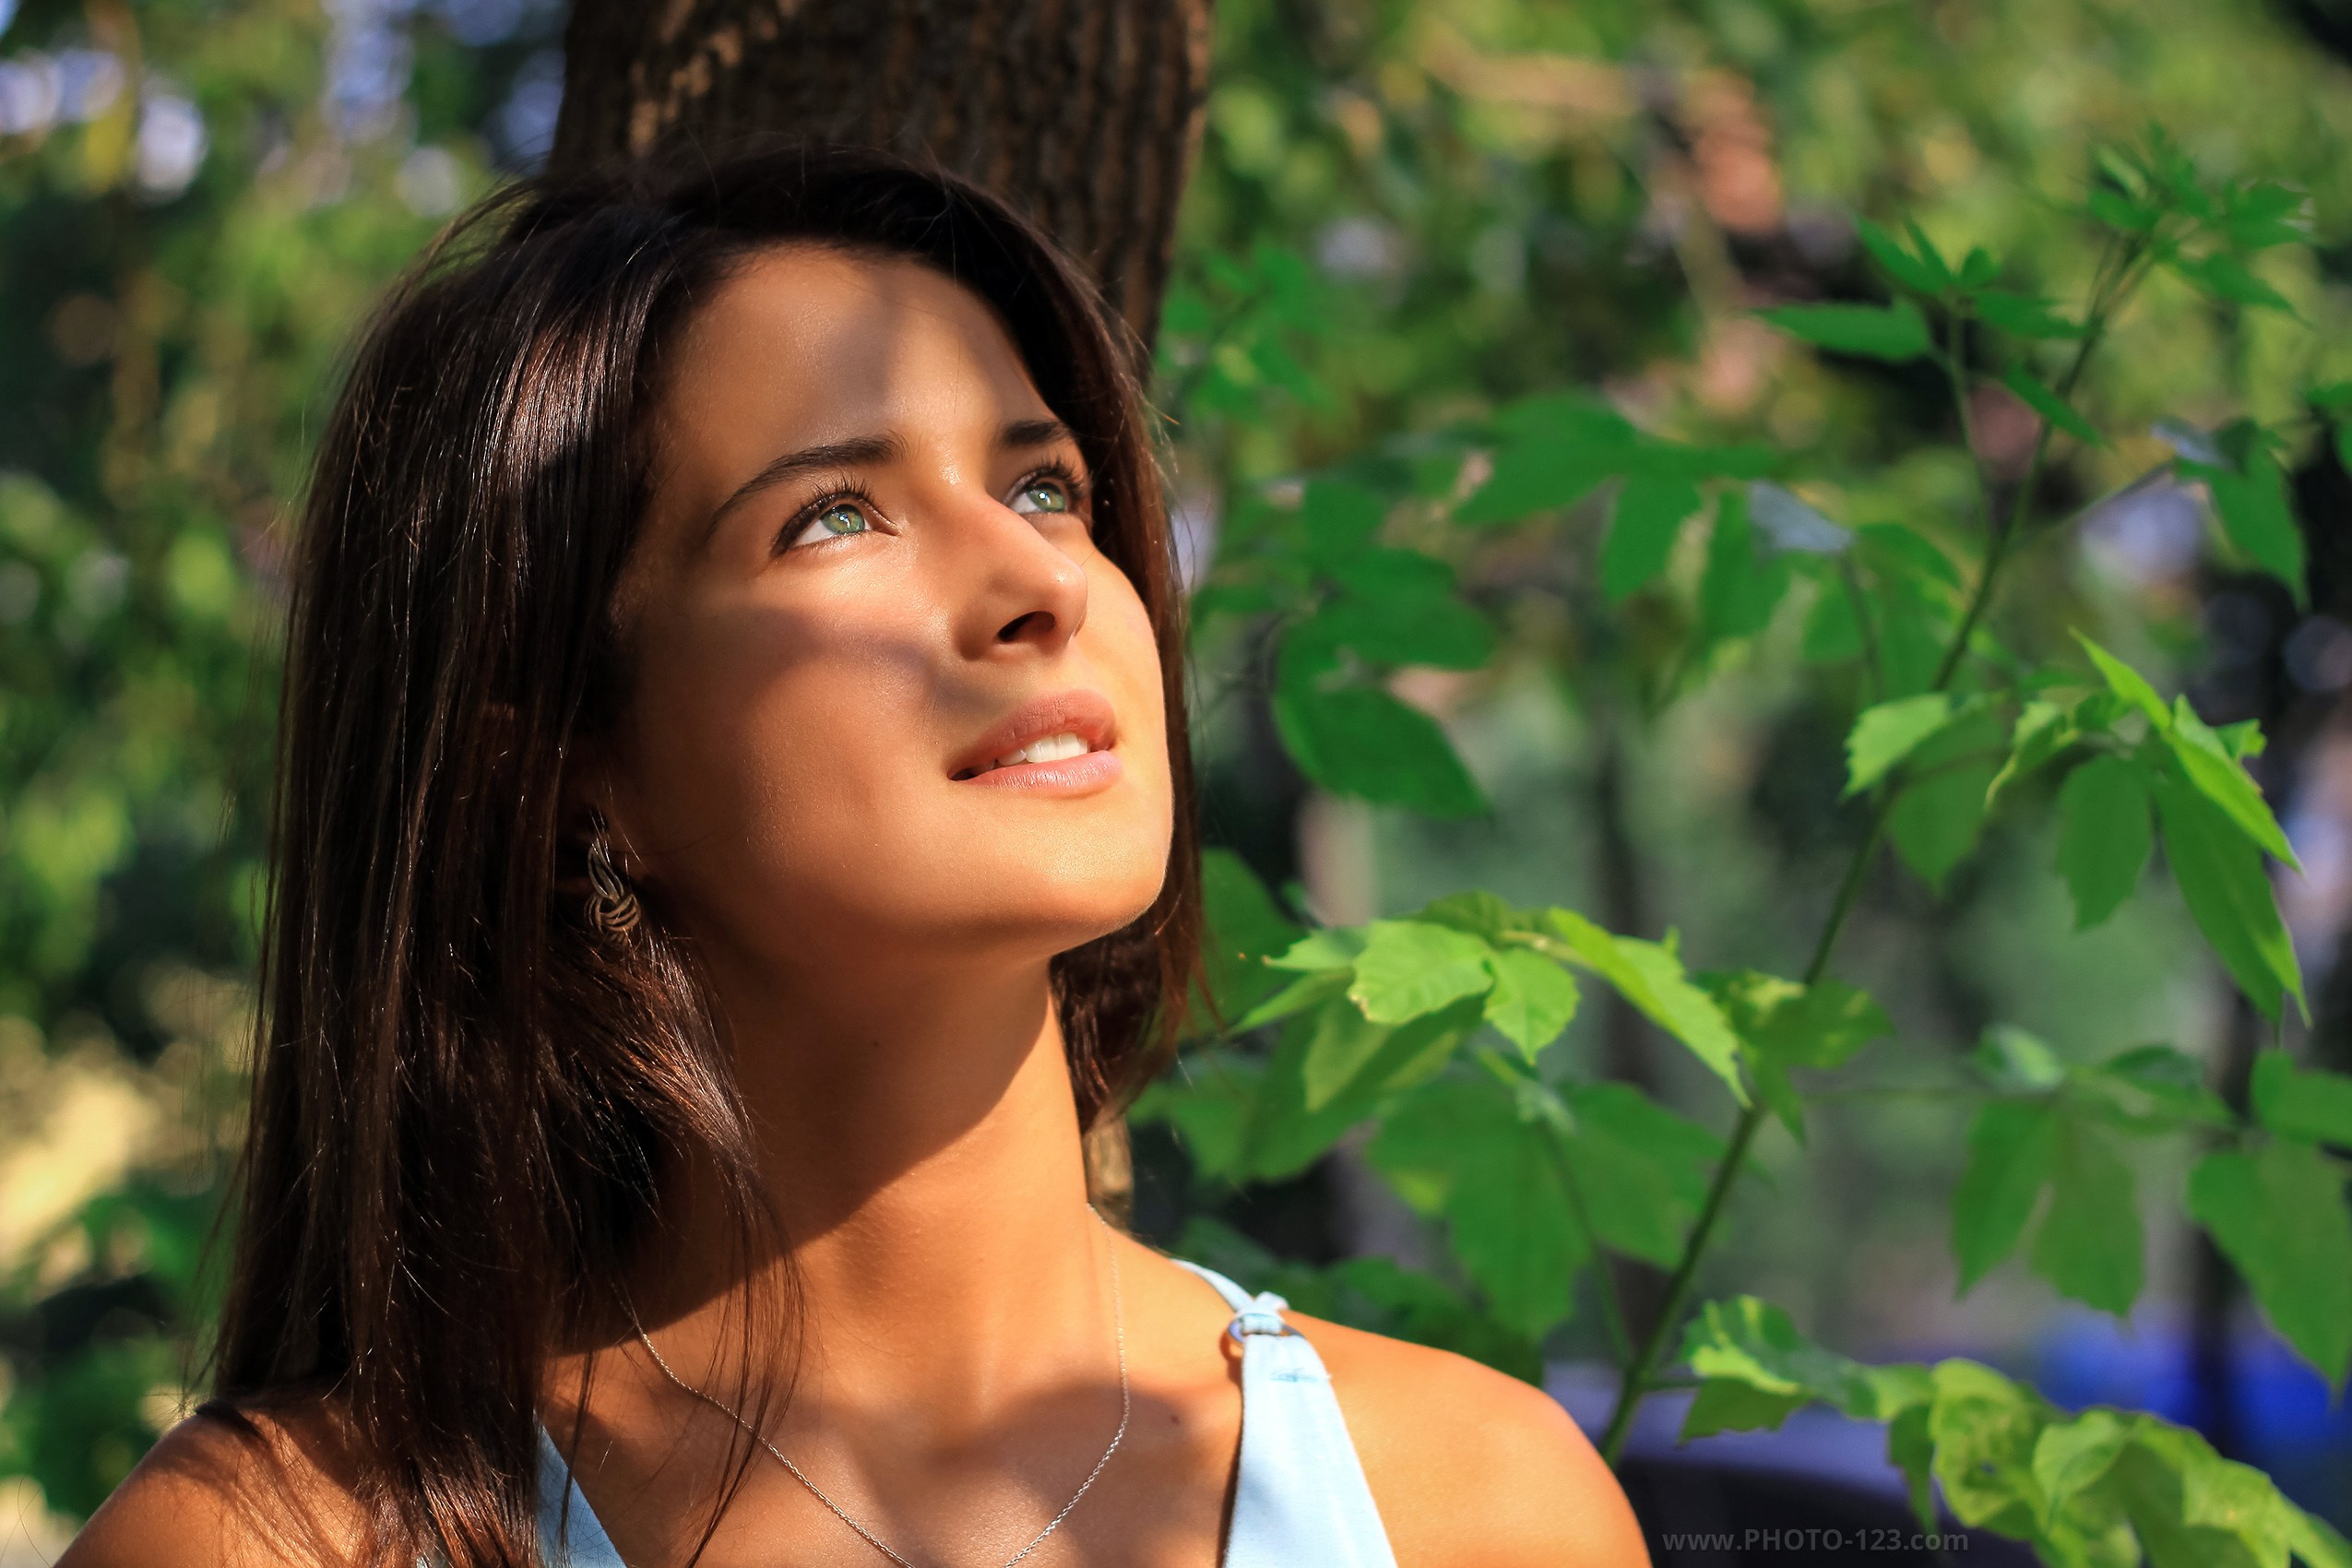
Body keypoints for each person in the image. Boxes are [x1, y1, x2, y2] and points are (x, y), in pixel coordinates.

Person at [64, 146, 1648, 1568]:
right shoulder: (284, 1543)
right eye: (834, 515)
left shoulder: (1477, 1508)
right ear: (560, 761)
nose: (1039, 578)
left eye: (1046, 486)